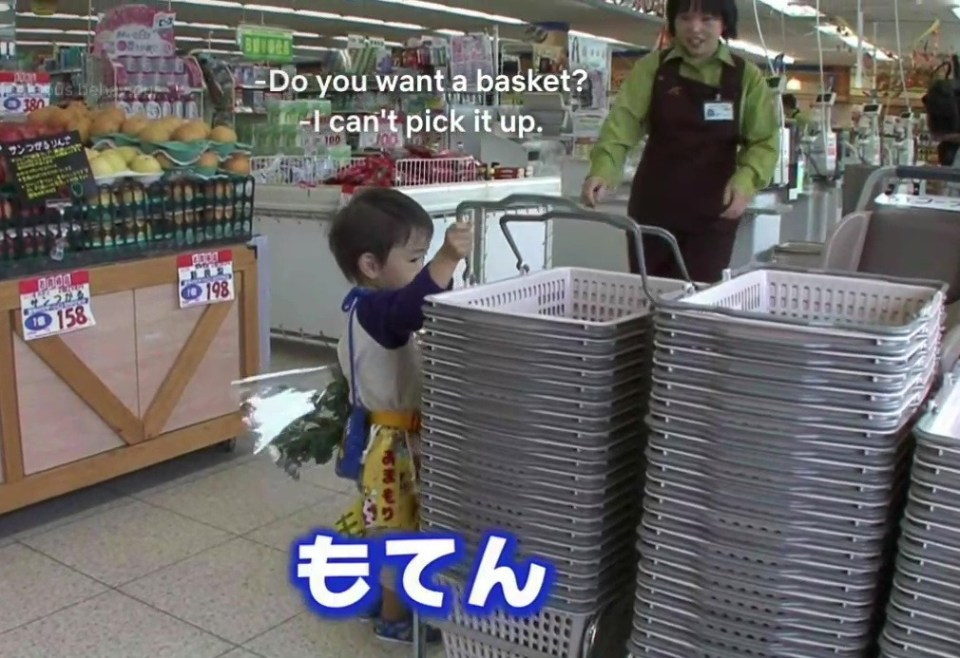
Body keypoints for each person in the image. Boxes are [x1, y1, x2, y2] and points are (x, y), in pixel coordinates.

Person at [327, 187, 472, 644]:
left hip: (381, 437)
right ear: (371, 266)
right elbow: (415, 305)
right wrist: (448, 258)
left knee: (385, 520)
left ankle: (377, 595)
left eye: (425, 257)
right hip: (394, 449)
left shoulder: (360, 306)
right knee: (399, 529)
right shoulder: (379, 309)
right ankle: (394, 619)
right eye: (415, 259)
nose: (422, 268)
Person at [581, 0, 780, 282]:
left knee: (698, 299)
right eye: (685, 18)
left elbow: (763, 141)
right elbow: (621, 125)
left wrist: (746, 180)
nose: (695, 29)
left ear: (724, 23)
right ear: (673, 22)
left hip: (713, 212)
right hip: (653, 208)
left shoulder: (745, 77)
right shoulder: (652, 69)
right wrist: (603, 168)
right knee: (648, 295)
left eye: (707, 19)